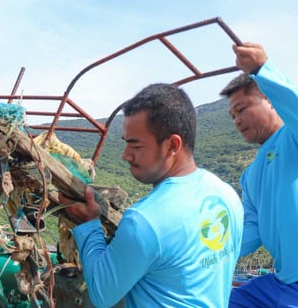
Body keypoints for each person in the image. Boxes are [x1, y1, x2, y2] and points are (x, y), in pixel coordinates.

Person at [59, 83, 244, 307]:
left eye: (135, 146)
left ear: (172, 145)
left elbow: (101, 294)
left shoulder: (144, 219)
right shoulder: (226, 194)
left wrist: (89, 225)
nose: (125, 156)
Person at [220, 42, 298, 307]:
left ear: (271, 102)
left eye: (241, 109)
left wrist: (262, 69)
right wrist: (199, 253)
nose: (237, 121)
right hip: (281, 283)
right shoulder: (250, 175)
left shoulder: (293, 136)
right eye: (232, 115)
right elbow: (250, 230)